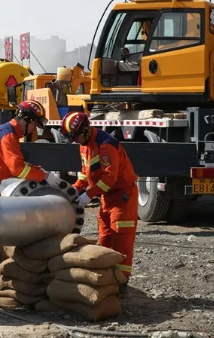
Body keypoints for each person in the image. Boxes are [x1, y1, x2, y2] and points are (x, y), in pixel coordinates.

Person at [0, 100, 64, 288]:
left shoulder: (8, 132)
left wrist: (37, 171)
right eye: (34, 124)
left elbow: (14, 164)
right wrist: (44, 176)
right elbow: (17, 168)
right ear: (27, 120)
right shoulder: (8, 135)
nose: (34, 129)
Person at [61, 111, 138, 293]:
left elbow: (110, 177)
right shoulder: (84, 146)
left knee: (121, 240)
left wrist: (89, 195)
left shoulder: (106, 145)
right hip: (107, 197)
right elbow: (85, 174)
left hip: (122, 198)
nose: (74, 141)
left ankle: (121, 282)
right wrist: (74, 190)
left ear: (85, 130)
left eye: (75, 137)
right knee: (104, 237)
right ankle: (105, 278)